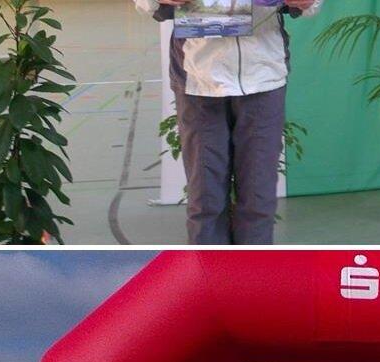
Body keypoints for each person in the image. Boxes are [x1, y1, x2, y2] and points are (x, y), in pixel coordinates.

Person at [133, 0, 323, 244]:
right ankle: (210, 276)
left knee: (257, 200)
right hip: (198, 79)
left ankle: (251, 277)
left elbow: (310, 4)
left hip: (263, 77)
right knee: (205, 199)